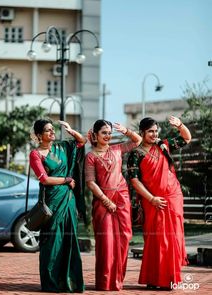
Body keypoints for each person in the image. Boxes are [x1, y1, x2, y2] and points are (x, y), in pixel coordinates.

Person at [127, 115, 192, 290]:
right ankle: (154, 278)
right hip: (153, 200)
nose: (154, 134)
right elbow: (134, 181)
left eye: (156, 131)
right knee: (155, 239)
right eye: (150, 131)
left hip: (172, 197)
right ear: (142, 132)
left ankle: (169, 279)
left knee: (171, 238)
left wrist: (179, 124)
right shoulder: (135, 154)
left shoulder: (163, 146)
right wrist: (152, 199)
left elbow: (186, 138)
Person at [29, 118, 86, 293]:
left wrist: (70, 130)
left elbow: (82, 141)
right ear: (39, 135)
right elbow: (44, 179)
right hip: (52, 203)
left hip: (67, 201)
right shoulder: (36, 154)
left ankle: (70, 282)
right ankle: (51, 283)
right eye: (48, 130)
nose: (52, 132)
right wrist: (66, 179)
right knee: (52, 241)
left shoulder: (62, 147)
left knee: (70, 240)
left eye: (53, 129)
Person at [85, 119, 142, 291]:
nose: (108, 136)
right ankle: (105, 282)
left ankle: (118, 280)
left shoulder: (117, 149)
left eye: (109, 133)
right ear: (95, 135)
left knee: (124, 238)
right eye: (104, 132)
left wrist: (126, 131)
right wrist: (105, 200)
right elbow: (90, 182)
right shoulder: (91, 156)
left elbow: (137, 141)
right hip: (103, 202)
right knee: (106, 242)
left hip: (122, 198)